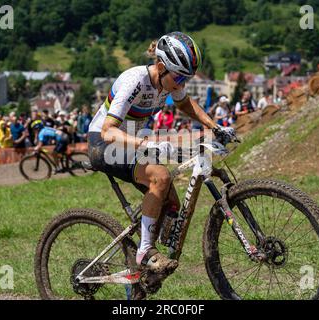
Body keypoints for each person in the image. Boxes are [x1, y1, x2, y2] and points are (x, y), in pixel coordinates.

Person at [87, 32, 235, 278]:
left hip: (131, 142)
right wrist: (147, 144)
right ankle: (145, 252)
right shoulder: (135, 81)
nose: (180, 84)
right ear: (160, 67)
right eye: (178, 77)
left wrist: (214, 126)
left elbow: (185, 103)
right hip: (103, 143)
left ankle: (143, 274)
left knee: (172, 204)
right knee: (161, 176)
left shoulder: (169, 79)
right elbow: (108, 131)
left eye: (186, 79)